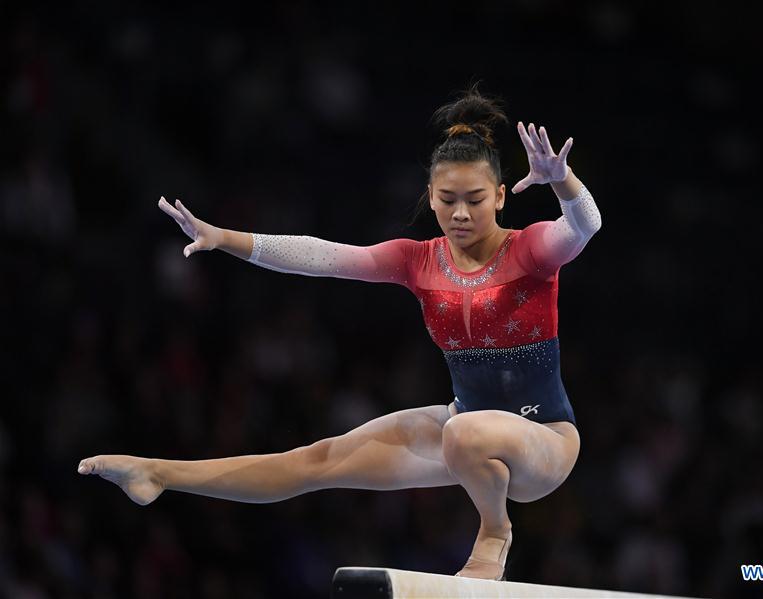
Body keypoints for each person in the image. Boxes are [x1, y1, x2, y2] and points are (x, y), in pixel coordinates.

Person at [77, 84, 602, 581]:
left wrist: (562, 181)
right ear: (431, 195)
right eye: (447, 199)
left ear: (502, 197)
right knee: (316, 460)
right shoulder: (417, 261)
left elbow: (583, 227)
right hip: (465, 433)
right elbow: (323, 256)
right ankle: (158, 473)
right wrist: (226, 237)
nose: (460, 213)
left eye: (476, 199)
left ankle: (495, 531)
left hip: (544, 442)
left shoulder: (530, 251)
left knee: (461, 432)